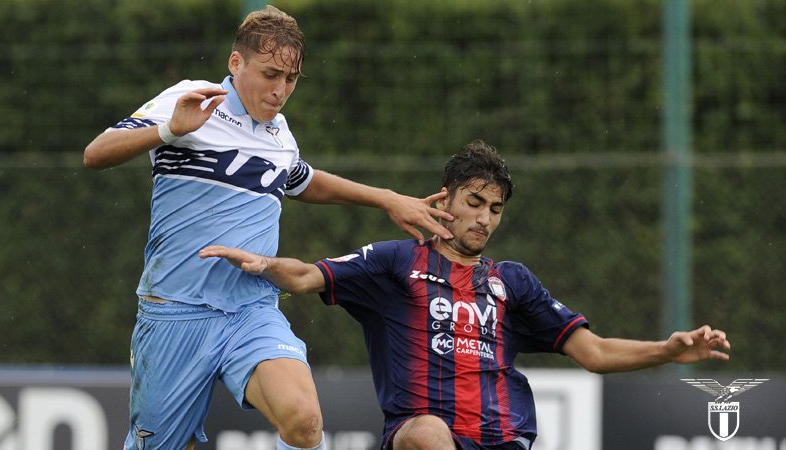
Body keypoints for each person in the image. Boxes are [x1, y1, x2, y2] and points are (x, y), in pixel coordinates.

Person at [83, 5, 455, 450]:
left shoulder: (278, 133)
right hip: (174, 313)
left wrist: (386, 198)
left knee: (304, 421)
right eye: (270, 74)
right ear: (235, 63)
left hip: (251, 311)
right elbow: (95, 153)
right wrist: (166, 130)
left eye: (291, 79)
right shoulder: (190, 100)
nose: (280, 91)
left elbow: (302, 181)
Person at [199, 139, 732, 450]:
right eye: (474, 202)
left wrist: (667, 350)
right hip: (421, 436)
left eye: (495, 210)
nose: (483, 218)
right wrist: (264, 264)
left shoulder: (513, 282)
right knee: (428, 433)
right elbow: (304, 276)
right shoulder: (394, 261)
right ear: (445, 198)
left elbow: (591, 352)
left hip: (506, 441)